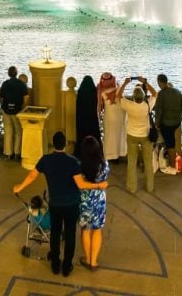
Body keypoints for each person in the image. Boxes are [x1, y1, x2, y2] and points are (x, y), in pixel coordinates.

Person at [13, 131, 108, 278]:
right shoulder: (73, 162)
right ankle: (67, 266)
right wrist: (99, 185)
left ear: (53, 144)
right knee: (70, 234)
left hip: (55, 203)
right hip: (71, 204)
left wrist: (19, 187)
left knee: (55, 234)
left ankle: (55, 264)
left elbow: (32, 175)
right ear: (65, 145)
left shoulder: (46, 160)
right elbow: (81, 183)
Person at [118, 76, 158, 194]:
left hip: (132, 135)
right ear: (144, 96)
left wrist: (125, 83)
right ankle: (150, 187)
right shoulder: (147, 105)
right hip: (146, 136)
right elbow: (155, 93)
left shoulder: (129, 105)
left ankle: (132, 187)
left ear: (134, 97)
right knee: (148, 162)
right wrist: (145, 82)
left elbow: (119, 96)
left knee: (132, 162)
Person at [78, 135, 110, 271]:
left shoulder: (79, 166)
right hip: (99, 201)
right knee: (97, 230)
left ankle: (87, 258)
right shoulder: (104, 165)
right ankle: (94, 261)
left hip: (85, 201)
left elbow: (80, 183)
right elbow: (105, 178)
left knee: (85, 230)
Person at [155, 74, 182, 170]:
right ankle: (172, 164)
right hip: (177, 122)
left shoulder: (161, 94)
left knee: (170, 145)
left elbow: (158, 111)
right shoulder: (177, 91)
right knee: (171, 143)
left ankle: (172, 166)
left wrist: (157, 124)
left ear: (160, 82)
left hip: (167, 123)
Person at [0, 66, 29, 159]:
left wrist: (3, 106)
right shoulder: (21, 84)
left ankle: (8, 153)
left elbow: (1, 98)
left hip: (6, 110)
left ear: (8, 74)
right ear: (16, 73)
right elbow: (26, 98)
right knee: (18, 131)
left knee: (8, 131)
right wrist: (23, 108)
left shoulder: (5, 84)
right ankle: (17, 152)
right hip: (18, 110)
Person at [97, 73, 126, 162]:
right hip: (120, 116)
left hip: (109, 117)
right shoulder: (118, 88)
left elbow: (99, 106)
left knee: (109, 136)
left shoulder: (101, 91)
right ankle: (119, 155)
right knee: (119, 135)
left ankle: (110, 156)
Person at [75, 76, 100, 157]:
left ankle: (81, 152)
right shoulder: (94, 91)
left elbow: (78, 105)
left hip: (82, 119)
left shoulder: (80, 91)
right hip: (92, 118)